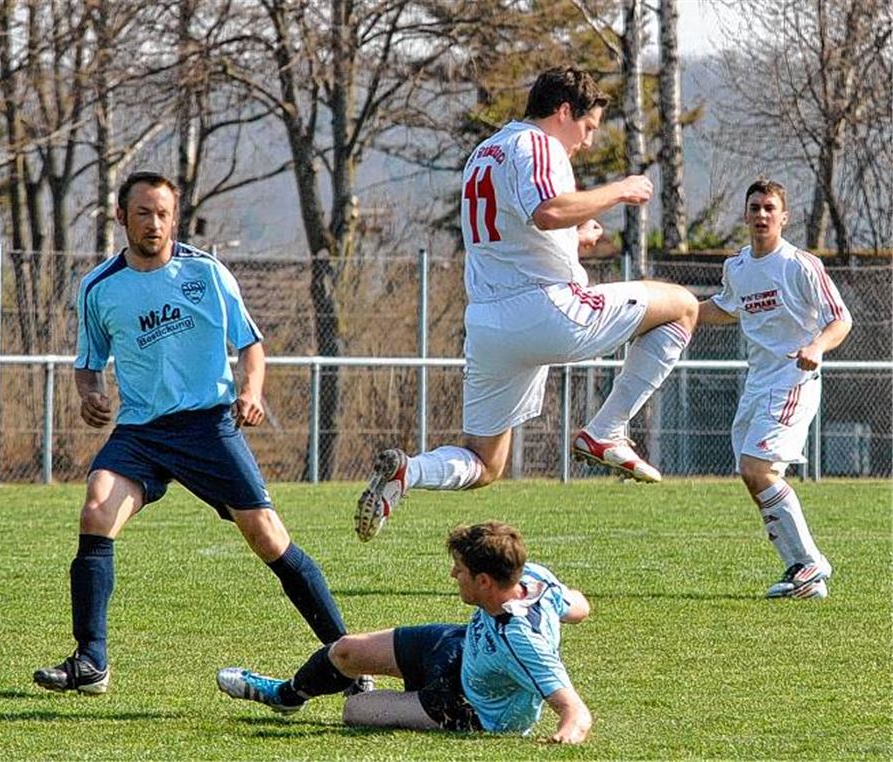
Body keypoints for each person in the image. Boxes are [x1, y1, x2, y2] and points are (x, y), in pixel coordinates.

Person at [33, 171, 348, 694]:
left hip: (207, 426)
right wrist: (89, 393)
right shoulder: (98, 288)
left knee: (268, 537)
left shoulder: (208, 274)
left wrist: (250, 391)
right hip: (141, 431)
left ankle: (347, 655)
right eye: (142, 213)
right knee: (96, 508)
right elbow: (88, 364)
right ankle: (91, 662)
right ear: (121, 217)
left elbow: (250, 344)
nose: (154, 223)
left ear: (174, 217)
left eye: (163, 213)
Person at [355, 67, 699, 542]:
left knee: (486, 461)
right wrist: (620, 191)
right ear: (563, 112)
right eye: (588, 127)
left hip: (489, 325)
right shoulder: (538, 146)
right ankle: (608, 430)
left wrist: (572, 240)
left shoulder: (486, 152)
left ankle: (407, 473)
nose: (588, 142)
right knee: (682, 305)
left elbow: (517, 232)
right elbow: (549, 209)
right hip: (547, 311)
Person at [218, 521, 593, 744]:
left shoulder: (521, 640)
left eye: (458, 570)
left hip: (468, 708)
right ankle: (287, 696)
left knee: (355, 710)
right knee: (346, 651)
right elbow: (578, 606)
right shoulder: (533, 577)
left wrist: (566, 734)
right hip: (461, 646)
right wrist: (567, 605)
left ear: (484, 581)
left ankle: (411, 700)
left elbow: (574, 710)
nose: (452, 575)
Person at [698, 179, 851, 599]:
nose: (762, 215)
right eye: (755, 208)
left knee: (757, 468)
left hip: (794, 380)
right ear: (745, 215)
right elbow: (724, 308)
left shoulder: (800, 265)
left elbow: (841, 318)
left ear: (784, 217)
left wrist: (816, 346)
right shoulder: (738, 267)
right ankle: (799, 572)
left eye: (770, 208)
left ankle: (811, 562)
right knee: (753, 476)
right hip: (757, 383)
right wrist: (674, 313)